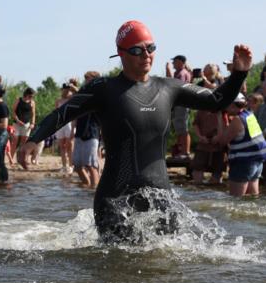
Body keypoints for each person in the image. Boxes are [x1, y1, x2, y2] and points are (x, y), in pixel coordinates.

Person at [18, 20, 250, 242]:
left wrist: (239, 73)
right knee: (118, 273)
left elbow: (216, 100)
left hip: (161, 199)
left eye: (151, 48)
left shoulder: (168, 87)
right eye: (137, 50)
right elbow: (63, 113)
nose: (146, 55)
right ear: (121, 53)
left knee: (166, 271)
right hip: (115, 200)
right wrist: (33, 139)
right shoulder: (104, 89)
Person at [218, 93, 266, 196]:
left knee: (236, 201)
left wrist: (219, 117)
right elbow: (242, 135)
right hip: (257, 162)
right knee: (252, 199)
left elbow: (222, 140)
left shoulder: (237, 120)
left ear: (233, 105)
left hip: (243, 163)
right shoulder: (249, 115)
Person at [190, 67, 225, 185]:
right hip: (203, 142)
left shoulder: (221, 105)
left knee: (217, 171)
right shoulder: (202, 107)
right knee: (197, 170)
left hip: (218, 142)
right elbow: (195, 124)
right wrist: (200, 137)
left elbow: (225, 123)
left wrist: (219, 136)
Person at [71, 71, 102, 189]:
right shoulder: (82, 94)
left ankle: (94, 189)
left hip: (92, 133)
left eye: (87, 79)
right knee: (77, 166)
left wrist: (76, 89)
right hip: (80, 132)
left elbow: (90, 99)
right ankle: (87, 185)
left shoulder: (98, 93)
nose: (85, 81)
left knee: (91, 165)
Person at [166, 55, 193, 159]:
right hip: (180, 104)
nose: (173, 64)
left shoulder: (182, 73)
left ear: (181, 62)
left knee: (182, 128)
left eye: (175, 61)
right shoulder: (180, 73)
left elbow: (175, 86)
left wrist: (168, 72)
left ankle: (185, 152)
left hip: (182, 104)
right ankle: (181, 151)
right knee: (179, 128)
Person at [52, 82, 77, 174]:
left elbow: (78, 94)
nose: (66, 90)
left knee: (70, 145)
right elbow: (56, 113)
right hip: (60, 125)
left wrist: (73, 87)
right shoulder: (58, 100)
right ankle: (64, 165)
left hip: (70, 124)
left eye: (68, 88)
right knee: (62, 146)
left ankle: (71, 165)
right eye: (65, 88)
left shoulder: (72, 98)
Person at [11, 87, 36, 159]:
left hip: (26, 125)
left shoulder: (32, 102)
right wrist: (18, 120)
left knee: (23, 143)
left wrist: (32, 123)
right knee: (14, 142)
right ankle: (11, 159)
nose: (32, 97)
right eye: (31, 95)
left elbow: (33, 114)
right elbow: (13, 111)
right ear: (27, 94)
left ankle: (20, 159)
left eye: (33, 96)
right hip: (16, 124)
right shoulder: (18, 100)